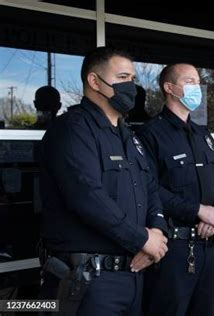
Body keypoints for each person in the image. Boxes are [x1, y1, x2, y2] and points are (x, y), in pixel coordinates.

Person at [38, 46, 168, 316]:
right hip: (89, 283)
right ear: (94, 81)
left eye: (132, 79)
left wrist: (156, 232)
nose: (130, 86)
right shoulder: (71, 130)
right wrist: (141, 239)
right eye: (122, 77)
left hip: (132, 273)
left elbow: (150, 187)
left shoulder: (127, 135)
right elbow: (87, 197)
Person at [138, 63, 214, 316]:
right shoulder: (150, 135)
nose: (197, 88)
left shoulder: (203, 135)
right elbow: (149, 188)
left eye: (198, 82)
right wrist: (199, 211)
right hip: (173, 249)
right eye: (189, 81)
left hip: (207, 245)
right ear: (169, 87)